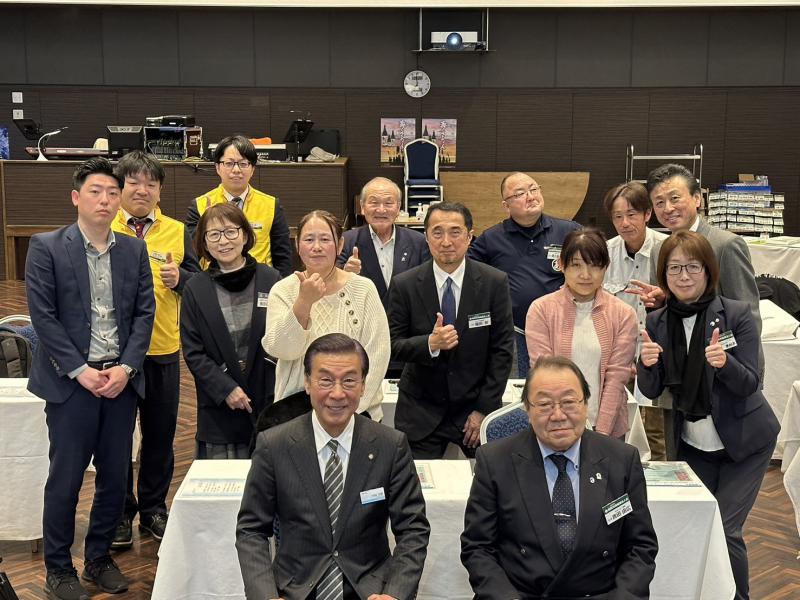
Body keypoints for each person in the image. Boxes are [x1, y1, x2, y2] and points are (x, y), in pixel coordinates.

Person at [25, 158, 155, 599]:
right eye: (96, 192)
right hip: (70, 385)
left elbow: (144, 314)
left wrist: (127, 368)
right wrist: (80, 371)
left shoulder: (133, 250)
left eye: (113, 193)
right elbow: (43, 317)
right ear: (76, 197)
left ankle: (98, 558)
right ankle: (59, 568)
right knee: (66, 478)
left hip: (119, 380)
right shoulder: (46, 247)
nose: (105, 200)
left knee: (116, 477)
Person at [637, 231, 779, 600]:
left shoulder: (736, 314)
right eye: (674, 268)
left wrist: (725, 364)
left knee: (726, 530)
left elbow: (750, 383)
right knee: (698, 522)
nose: (683, 276)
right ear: (663, 274)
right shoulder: (657, 321)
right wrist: (646, 363)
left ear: (708, 270)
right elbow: (652, 390)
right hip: (693, 444)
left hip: (745, 442)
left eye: (692, 267)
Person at [236, 333, 430, 600]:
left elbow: (413, 529)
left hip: (370, 591)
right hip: (294, 590)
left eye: (349, 380)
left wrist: (394, 593)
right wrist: (266, 595)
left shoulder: (390, 445)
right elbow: (251, 529)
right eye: (325, 380)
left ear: (363, 385)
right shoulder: (274, 445)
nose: (337, 393)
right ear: (307, 383)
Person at [461, 356, 658, 600]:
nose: (557, 415)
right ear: (527, 409)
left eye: (568, 402)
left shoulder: (622, 460)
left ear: (585, 404)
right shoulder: (495, 461)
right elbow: (478, 548)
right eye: (544, 404)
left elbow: (640, 547)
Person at [110, 151, 201, 549]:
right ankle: (118, 513)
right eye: (134, 182)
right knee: (115, 438)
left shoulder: (176, 231)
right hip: (113, 353)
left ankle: (152, 509)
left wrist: (181, 278)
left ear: (160, 190)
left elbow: (198, 282)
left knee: (160, 435)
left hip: (162, 347)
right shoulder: (104, 226)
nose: (142, 190)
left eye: (151, 183)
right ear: (120, 187)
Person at [388, 202, 514, 459]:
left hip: (473, 410)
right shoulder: (404, 285)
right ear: (426, 237)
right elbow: (392, 345)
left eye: (455, 232)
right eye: (437, 232)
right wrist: (429, 344)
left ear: (469, 236)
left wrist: (484, 409)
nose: (446, 242)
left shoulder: (494, 282)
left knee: (489, 480)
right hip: (420, 412)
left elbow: (502, 351)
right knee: (414, 483)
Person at [265, 210, 390, 420]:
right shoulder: (283, 290)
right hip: (295, 413)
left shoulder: (363, 288)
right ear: (297, 246)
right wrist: (304, 302)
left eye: (325, 239)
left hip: (357, 412)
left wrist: (350, 409)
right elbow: (281, 350)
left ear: (339, 245)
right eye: (308, 239)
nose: (317, 247)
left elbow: (378, 354)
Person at [181, 203, 281, 459]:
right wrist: (225, 388)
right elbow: (193, 351)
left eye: (230, 232)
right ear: (204, 242)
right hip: (220, 406)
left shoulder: (271, 279)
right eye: (213, 234)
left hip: (266, 399)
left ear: (244, 235)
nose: (223, 241)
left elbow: (282, 335)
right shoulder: (195, 288)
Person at [526, 228, 638, 438]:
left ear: (606, 267)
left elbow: (616, 378)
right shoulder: (541, 310)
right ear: (562, 264)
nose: (585, 275)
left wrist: (601, 434)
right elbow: (545, 374)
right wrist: (563, 424)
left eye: (594, 265)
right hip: (556, 426)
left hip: (607, 427)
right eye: (576, 265)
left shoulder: (623, 314)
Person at [468, 171, 580, 377]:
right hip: (515, 333)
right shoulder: (491, 239)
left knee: (563, 384)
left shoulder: (569, 231)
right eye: (520, 193)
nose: (530, 196)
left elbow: (594, 263)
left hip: (564, 329)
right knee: (522, 389)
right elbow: (467, 272)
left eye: (534, 189)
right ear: (506, 205)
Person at [601, 181, 668, 458]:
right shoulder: (605, 253)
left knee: (656, 432)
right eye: (618, 216)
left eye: (631, 214)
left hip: (658, 358)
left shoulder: (667, 249)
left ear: (647, 214)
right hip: (619, 360)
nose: (624, 223)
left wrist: (663, 300)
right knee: (617, 428)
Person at [185, 135, 292, 276]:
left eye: (243, 163)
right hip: (216, 280)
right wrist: (205, 225)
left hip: (260, 281)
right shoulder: (200, 205)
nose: (236, 170)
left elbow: (283, 257)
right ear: (217, 167)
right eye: (229, 163)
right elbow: (192, 256)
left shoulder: (271, 205)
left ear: (252, 169)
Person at [337, 177, 429, 306]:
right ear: (362, 207)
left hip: (406, 317)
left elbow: (426, 286)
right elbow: (332, 282)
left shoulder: (419, 242)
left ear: (398, 207)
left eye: (388, 203)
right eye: (374, 203)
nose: (381, 210)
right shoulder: (346, 241)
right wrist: (345, 273)